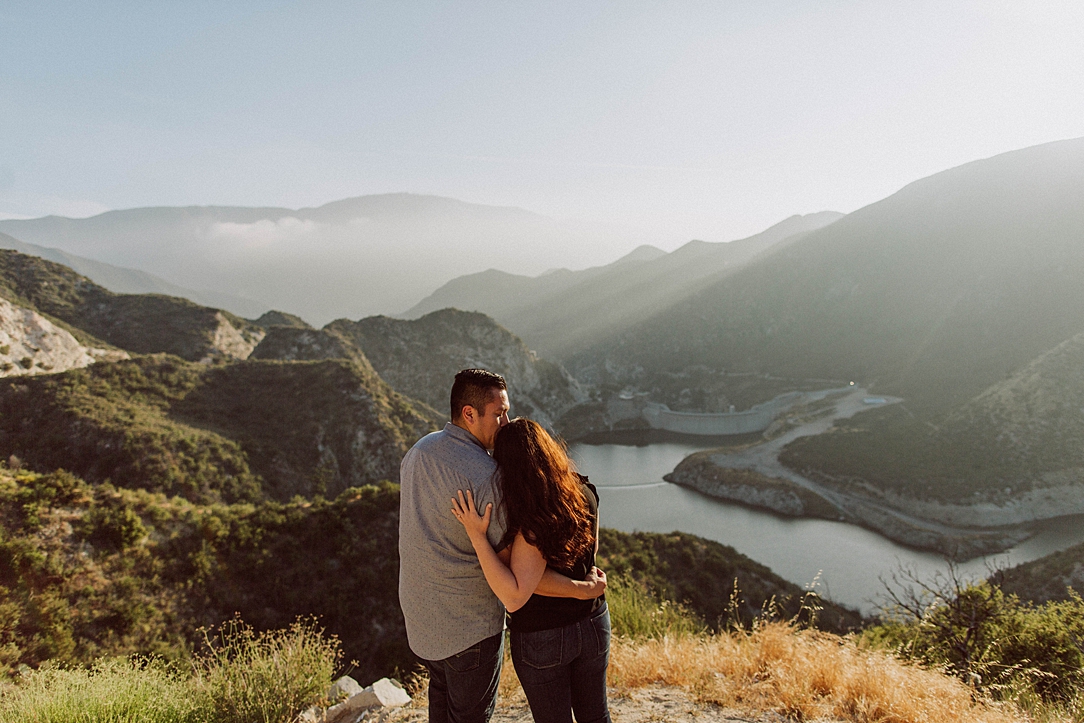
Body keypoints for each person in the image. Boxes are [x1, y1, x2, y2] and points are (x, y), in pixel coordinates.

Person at [399, 369, 606, 723]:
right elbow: (519, 580)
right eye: (499, 413)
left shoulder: (419, 451)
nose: (506, 421)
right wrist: (581, 589)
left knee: (441, 705)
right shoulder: (488, 478)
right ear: (469, 413)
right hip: (469, 627)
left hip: (422, 619)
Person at [452, 417, 611, 723]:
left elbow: (524, 585)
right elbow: (592, 552)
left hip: (544, 636)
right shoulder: (585, 489)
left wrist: (477, 535)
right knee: (597, 716)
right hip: (593, 623)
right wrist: (586, 590)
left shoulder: (530, 518)